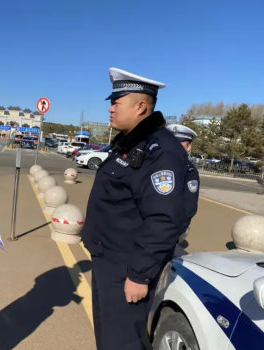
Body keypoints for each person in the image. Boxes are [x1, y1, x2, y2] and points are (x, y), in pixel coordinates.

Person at [81, 68, 189, 350]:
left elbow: (163, 219)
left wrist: (139, 275)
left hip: (128, 268)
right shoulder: (130, 143)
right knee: (108, 338)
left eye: (117, 101)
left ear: (141, 106)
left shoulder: (161, 151)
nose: (111, 108)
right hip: (108, 260)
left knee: (124, 341)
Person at [166, 124, 200, 254]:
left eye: (180, 143)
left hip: (169, 229)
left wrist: (176, 231)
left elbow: (189, 206)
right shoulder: (153, 163)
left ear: (189, 146)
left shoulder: (189, 170)